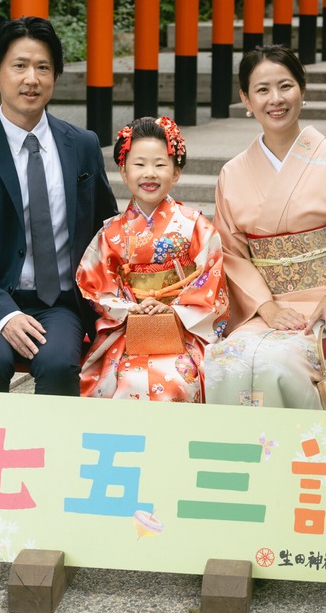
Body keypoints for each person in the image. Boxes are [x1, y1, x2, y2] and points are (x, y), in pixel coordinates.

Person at [204, 45, 326, 409]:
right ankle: (246, 462)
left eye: (285, 86)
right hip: (266, 310)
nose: (275, 99)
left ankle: (306, 460)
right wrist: (265, 307)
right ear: (245, 99)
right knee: (224, 360)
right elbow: (230, 254)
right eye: (262, 90)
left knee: (277, 365)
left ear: (303, 90)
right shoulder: (232, 174)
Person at [0, 16, 118, 395]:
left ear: (55, 75)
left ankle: (53, 454)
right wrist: (4, 314)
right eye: (19, 66)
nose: (31, 78)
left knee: (59, 364)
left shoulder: (82, 146)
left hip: (59, 303)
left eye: (42, 67)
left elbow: (107, 228)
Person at [76, 117, 229, 401]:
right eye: (139, 164)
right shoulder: (111, 232)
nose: (150, 173)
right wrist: (130, 308)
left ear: (176, 172)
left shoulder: (194, 225)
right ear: (123, 172)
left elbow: (212, 278)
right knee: (120, 379)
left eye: (160, 165)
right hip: (129, 329)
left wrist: (172, 308)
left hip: (182, 330)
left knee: (179, 378)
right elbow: (95, 283)